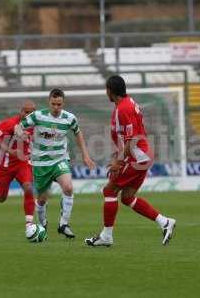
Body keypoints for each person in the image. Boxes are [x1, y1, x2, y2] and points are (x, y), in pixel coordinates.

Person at [85, 75, 176, 247]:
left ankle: (106, 236)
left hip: (137, 157)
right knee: (127, 197)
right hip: (141, 156)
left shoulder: (124, 109)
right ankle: (164, 222)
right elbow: (126, 136)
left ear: (110, 91)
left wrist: (119, 160)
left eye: (107, 90)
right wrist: (117, 155)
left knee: (109, 191)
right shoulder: (126, 104)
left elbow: (132, 138)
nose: (106, 93)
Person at [16, 88, 95, 239]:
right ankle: (43, 223)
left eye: (59, 104)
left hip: (60, 159)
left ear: (63, 103)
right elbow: (18, 127)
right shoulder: (38, 116)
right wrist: (21, 133)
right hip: (40, 163)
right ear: (49, 102)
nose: (56, 108)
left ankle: (63, 224)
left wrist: (85, 155)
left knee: (68, 187)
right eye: (54, 104)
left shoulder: (69, 118)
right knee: (42, 199)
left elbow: (78, 132)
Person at [0, 101, 36, 235]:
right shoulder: (9, 123)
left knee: (28, 187)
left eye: (31, 113)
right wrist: (11, 151)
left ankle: (29, 225)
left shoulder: (35, 124)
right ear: (21, 111)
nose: (28, 115)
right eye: (26, 112)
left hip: (23, 163)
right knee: (1, 197)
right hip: (5, 165)